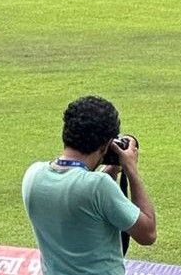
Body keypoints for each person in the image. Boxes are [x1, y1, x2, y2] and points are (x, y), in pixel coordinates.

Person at [22, 94, 156, 274]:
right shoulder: (98, 186)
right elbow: (147, 233)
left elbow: (81, 199)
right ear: (106, 144)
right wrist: (131, 169)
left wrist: (112, 168)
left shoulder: (33, 174)